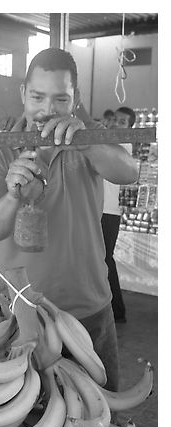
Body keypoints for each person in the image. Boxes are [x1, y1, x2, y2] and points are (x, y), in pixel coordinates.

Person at [0, 48, 138, 393]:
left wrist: (85, 143)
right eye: (37, 97)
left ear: (75, 99)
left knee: (98, 422)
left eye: (61, 99)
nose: (48, 110)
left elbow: (129, 171)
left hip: (90, 310)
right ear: (23, 94)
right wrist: (14, 195)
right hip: (23, 315)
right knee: (28, 426)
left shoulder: (88, 134)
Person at [101, 106, 136, 323]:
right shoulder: (106, 139)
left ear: (130, 128)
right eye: (115, 120)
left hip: (108, 212)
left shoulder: (122, 145)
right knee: (100, 259)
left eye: (122, 123)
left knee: (105, 259)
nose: (115, 124)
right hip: (98, 208)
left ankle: (117, 310)